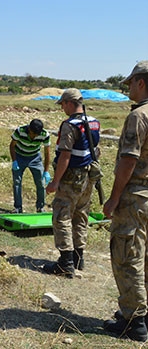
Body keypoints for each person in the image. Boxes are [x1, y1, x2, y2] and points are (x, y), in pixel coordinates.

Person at [101, 61, 148, 342]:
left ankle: (134, 320)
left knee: (127, 255)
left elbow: (129, 159)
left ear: (141, 83)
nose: (128, 88)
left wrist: (114, 197)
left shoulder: (138, 116)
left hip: (136, 196)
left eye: (130, 83)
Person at [43, 88, 100, 277]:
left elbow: (65, 155)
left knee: (62, 216)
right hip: (88, 176)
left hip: (71, 177)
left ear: (68, 103)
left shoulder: (69, 125)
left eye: (62, 105)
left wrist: (55, 181)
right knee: (81, 215)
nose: (62, 109)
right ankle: (78, 257)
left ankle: (65, 262)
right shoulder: (93, 122)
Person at [9, 119, 51, 213]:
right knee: (17, 182)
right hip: (19, 156)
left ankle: (40, 207)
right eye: (32, 133)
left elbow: (47, 153)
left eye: (36, 135)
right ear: (29, 129)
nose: (34, 136)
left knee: (40, 183)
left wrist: (46, 171)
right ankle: (18, 208)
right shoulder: (20, 131)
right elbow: (12, 146)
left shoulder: (45, 135)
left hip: (35, 158)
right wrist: (14, 161)